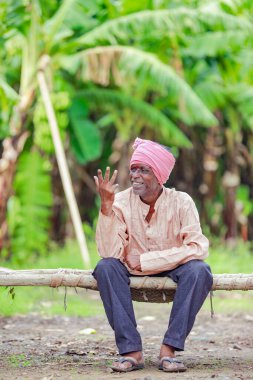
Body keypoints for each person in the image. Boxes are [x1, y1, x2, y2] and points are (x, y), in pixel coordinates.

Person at [93, 137, 213, 373]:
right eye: (133, 169)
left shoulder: (182, 202)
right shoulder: (119, 202)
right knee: (105, 267)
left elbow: (198, 247)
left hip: (174, 266)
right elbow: (109, 252)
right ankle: (131, 352)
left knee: (200, 271)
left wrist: (149, 261)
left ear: (159, 176)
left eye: (144, 170)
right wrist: (106, 207)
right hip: (129, 268)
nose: (135, 175)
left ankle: (169, 349)